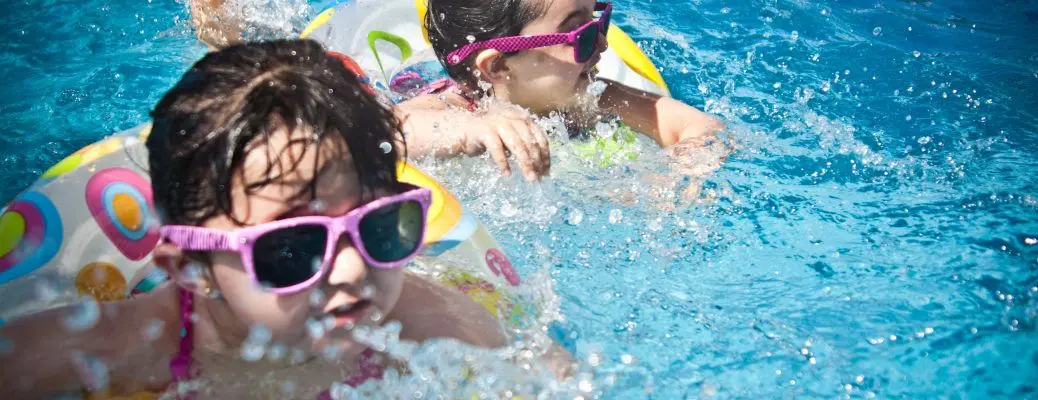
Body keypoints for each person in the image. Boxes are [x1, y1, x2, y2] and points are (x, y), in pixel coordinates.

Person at [0, 39, 507, 399]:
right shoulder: (130, 345)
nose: (353, 271)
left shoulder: (423, 324)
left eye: (379, 227)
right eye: (293, 248)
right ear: (188, 269)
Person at [394, 0, 726, 181]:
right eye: (580, 36)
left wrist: (682, 172)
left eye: (598, 22)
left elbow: (698, 126)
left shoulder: (592, 96)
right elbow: (388, 132)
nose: (603, 45)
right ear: (497, 66)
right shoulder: (455, 109)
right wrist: (472, 129)